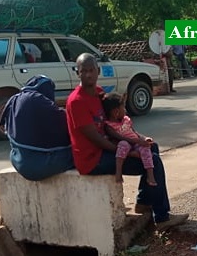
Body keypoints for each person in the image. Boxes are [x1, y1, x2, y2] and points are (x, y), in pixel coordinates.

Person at [65, 53, 188, 231]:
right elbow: (96, 138)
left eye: (91, 70)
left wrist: (137, 139)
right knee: (153, 161)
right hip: (93, 159)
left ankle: (144, 202)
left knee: (151, 147)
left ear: (98, 71)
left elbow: (114, 122)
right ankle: (162, 218)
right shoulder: (76, 101)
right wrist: (129, 152)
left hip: (108, 148)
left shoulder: (99, 93)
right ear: (77, 73)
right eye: (83, 71)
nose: (88, 75)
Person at [1, 75, 74, 181]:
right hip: (37, 166)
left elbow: (3, 124)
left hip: (17, 160)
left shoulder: (14, 99)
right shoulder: (37, 100)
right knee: (78, 154)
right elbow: (65, 122)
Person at [102, 93, 157, 186]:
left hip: (135, 143)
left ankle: (150, 175)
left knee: (146, 148)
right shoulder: (109, 126)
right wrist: (136, 141)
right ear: (116, 112)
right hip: (125, 144)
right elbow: (119, 137)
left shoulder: (126, 120)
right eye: (123, 108)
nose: (125, 110)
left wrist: (143, 138)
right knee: (123, 144)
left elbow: (133, 132)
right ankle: (118, 172)